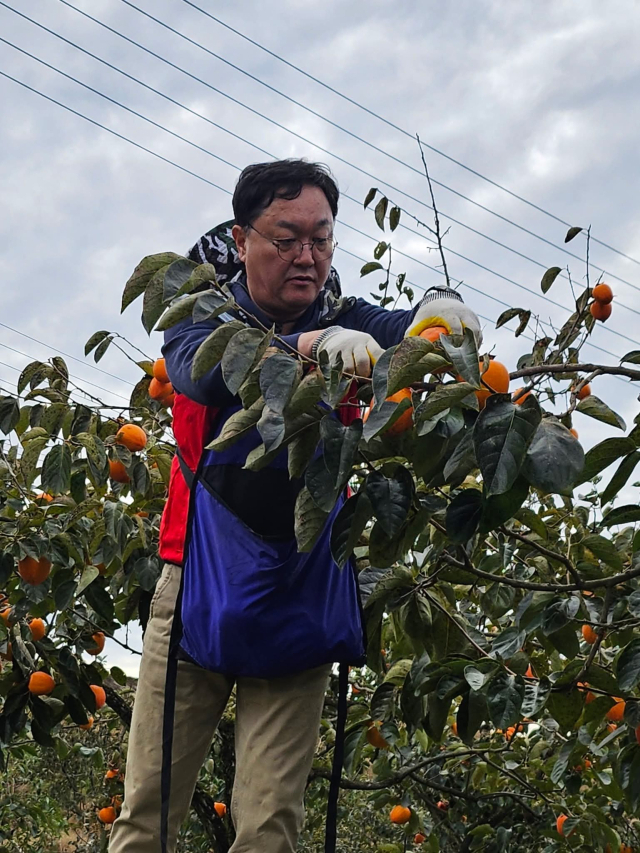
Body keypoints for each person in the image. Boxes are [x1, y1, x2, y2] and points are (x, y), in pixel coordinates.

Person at [109, 159, 482, 853]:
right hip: (195, 584)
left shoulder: (346, 316)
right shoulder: (200, 311)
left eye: (322, 239)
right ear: (243, 237)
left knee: (270, 826)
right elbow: (203, 370)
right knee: (148, 816)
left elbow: (404, 330)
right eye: (286, 239)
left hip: (300, 589)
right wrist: (305, 348)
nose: (306, 256)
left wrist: (437, 309)